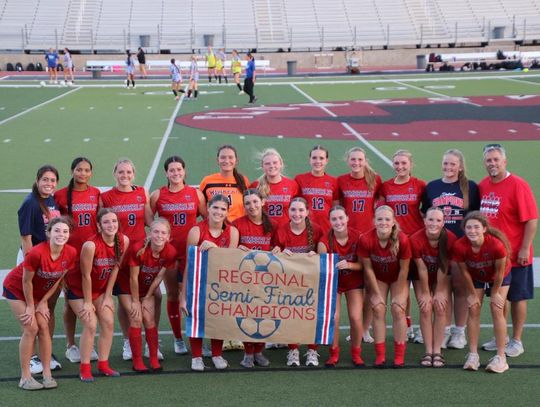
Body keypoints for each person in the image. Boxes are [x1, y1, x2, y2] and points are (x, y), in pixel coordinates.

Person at [478, 144, 538, 358]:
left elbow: (531, 220)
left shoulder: (518, 185)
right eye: (488, 160)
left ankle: (517, 340)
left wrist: (523, 248)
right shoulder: (483, 185)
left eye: (496, 160)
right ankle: (500, 337)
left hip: (516, 255)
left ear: (504, 161)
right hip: (493, 257)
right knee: (497, 298)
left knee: (517, 298)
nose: (492, 163)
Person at [3, 217, 76, 390]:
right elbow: (26, 282)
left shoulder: (71, 252)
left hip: (37, 294)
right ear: (48, 233)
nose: (61, 234)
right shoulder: (36, 253)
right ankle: (25, 377)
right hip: (17, 289)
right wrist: (30, 305)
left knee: (44, 326)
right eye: (57, 230)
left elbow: (59, 279)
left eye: (65, 231)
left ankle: (46, 374)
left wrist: (43, 302)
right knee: (31, 327)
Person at [422, 149, 480, 349]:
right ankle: (444, 329)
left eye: (452, 164)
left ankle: (459, 332)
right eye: (445, 163)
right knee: (442, 289)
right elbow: (425, 215)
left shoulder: (470, 187)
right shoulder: (432, 187)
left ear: (460, 166)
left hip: (463, 246)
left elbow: (477, 217)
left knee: (460, 288)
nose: (448, 167)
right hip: (441, 246)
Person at [149, 156, 206, 355]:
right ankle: (178, 338)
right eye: (171, 170)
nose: (176, 173)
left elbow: (206, 218)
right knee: (173, 294)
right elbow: (149, 219)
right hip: (170, 253)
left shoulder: (195, 193)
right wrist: (159, 238)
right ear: (166, 173)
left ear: (184, 171)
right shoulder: (158, 195)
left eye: (179, 169)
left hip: (191, 252)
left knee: (194, 296)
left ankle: (197, 338)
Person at [65, 209, 129, 381]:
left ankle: (103, 364)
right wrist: (87, 302)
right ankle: (85, 368)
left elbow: (116, 267)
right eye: (106, 222)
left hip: (100, 289)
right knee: (91, 324)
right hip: (79, 291)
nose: (111, 225)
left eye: (114, 221)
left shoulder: (123, 240)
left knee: (108, 321)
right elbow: (85, 275)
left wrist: (108, 295)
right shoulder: (90, 245)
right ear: (99, 226)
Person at [100, 158, 153, 362]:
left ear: (133, 173)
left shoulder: (141, 192)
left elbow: (148, 220)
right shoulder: (106, 197)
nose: (125, 176)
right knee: (125, 301)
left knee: (150, 295)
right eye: (121, 172)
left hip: (141, 252)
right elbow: (102, 225)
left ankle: (149, 340)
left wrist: (156, 236)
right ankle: (127, 341)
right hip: (119, 252)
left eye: (128, 172)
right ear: (115, 173)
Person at [181, 194, 240, 371]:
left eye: (223, 209)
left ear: (227, 211)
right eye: (215, 208)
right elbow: (188, 264)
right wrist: (183, 296)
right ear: (208, 208)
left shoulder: (233, 232)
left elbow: (230, 262)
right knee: (196, 317)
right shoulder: (196, 231)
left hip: (220, 284)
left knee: (218, 318)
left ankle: (216, 354)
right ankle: (197, 356)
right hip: (198, 283)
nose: (218, 212)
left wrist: (214, 249)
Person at [453, 211, 512, 373]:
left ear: (484, 228)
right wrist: (471, 294)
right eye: (468, 227)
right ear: (464, 229)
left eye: (476, 227)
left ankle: (501, 357)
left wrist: (495, 293)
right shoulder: (459, 245)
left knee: (496, 308)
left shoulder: (496, 245)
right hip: (476, 274)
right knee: (473, 308)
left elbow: (500, 272)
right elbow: (464, 272)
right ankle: (473, 355)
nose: (472, 231)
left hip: (498, 276)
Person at [54, 157, 100, 364]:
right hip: (69, 254)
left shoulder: (96, 193)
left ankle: (88, 342)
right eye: (79, 170)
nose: (82, 173)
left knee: (91, 296)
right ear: (72, 171)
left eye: (86, 170)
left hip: (91, 252)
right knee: (69, 300)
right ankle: (71, 345)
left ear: (91, 173)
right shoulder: (61, 195)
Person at [17, 164, 62, 374]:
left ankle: (46, 350)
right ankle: (33, 355)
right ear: (37, 180)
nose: (49, 184)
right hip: (34, 261)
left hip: (50, 259)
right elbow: (26, 238)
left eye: (52, 181)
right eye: (45, 180)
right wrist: (32, 264)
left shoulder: (50, 200)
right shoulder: (30, 203)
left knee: (48, 308)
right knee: (33, 308)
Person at [117, 218, 177, 372]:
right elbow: (132, 278)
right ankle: (137, 361)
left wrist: (149, 296)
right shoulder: (138, 248)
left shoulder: (170, 251)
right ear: (150, 233)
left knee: (149, 319)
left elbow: (158, 277)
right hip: (127, 286)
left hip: (146, 287)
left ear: (168, 236)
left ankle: (153, 358)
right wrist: (136, 301)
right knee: (136, 318)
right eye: (156, 231)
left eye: (163, 233)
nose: (159, 235)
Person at [380, 150, 425, 342]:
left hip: (417, 240)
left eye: (404, 163)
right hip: (396, 243)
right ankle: (407, 324)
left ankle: (423, 327)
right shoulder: (386, 186)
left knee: (421, 285)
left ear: (411, 164)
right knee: (402, 286)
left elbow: (427, 211)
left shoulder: (420, 185)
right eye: (397, 163)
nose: (400, 167)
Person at [358, 205, 411, 368]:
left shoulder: (402, 239)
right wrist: (375, 294)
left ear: (393, 222)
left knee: (398, 308)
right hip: (378, 277)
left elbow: (404, 269)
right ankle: (380, 355)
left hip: (397, 278)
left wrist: (399, 294)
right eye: (379, 219)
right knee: (378, 308)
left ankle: (399, 355)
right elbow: (367, 268)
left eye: (387, 219)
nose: (383, 222)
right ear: (374, 221)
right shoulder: (366, 239)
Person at [272, 197, 322, 367]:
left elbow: (323, 254)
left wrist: (316, 255)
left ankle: (312, 350)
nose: (297, 214)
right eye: (293, 210)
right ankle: (293, 349)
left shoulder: (316, 229)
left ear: (307, 212)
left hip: (310, 280)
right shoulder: (282, 229)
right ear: (288, 211)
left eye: (301, 210)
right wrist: (278, 252)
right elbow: (274, 255)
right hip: (289, 280)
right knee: (291, 313)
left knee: (310, 314)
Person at [317, 206, 364, 367]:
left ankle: (356, 353)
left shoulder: (358, 236)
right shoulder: (324, 241)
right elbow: (322, 269)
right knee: (334, 318)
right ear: (329, 222)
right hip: (334, 284)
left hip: (353, 282)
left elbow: (364, 265)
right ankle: (334, 353)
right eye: (334, 219)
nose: (338, 222)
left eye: (341, 218)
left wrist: (349, 265)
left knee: (356, 318)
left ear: (347, 218)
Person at [410, 207, 457, 367]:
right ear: (424, 221)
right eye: (430, 219)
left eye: (438, 220)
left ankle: (437, 351)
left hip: (441, 274)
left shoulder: (450, 238)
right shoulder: (415, 239)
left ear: (443, 222)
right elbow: (421, 268)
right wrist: (425, 292)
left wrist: (439, 292)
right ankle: (428, 351)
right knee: (425, 307)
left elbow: (443, 266)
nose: (434, 223)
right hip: (420, 275)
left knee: (440, 306)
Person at [234, 189, 275, 368]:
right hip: (246, 279)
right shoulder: (236, 224)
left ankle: (259, 351)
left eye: (255, 202)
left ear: (263, 202)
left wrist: (277, 251)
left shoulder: (273, 224)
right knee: (247, 315)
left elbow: (279, 248)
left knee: (264, 315)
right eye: (248, 203)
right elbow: (230, 250)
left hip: (267, 279)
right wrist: (238, 251)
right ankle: (248, 353)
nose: (252, 206)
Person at [294, 145, 339, 233]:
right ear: (310, 159)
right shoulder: (300, 179)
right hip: (305, 228)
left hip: (326, 228)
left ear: (326, 161)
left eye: (321, 158)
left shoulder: (333, 181)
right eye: (314, 158)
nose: (317, 161)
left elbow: (335, 208)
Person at [337, 147, 382, 234]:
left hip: (369, 230)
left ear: (365, 161)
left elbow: (380, 203)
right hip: (347, 229)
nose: (356, 162)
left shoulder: (375, 179)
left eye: (360, 159)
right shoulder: (341, 180)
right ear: (348, 161)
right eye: (353, 159)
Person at [200, 145, 249, 222]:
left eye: (230, 157)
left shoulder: (244, 181)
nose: (226, 161)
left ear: (236, 160)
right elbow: (201, 208)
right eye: (223, 157)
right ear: (217, 160)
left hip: (239, 228)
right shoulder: (207, 181)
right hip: (217, 229)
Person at [251, 148, 299, 228]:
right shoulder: (255, 186)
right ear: (262, 166)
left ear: (281, 164)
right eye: (267, 164)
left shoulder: (292, 184)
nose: (272, 166)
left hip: (285, 231)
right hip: (264, 230)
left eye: (275, 163)